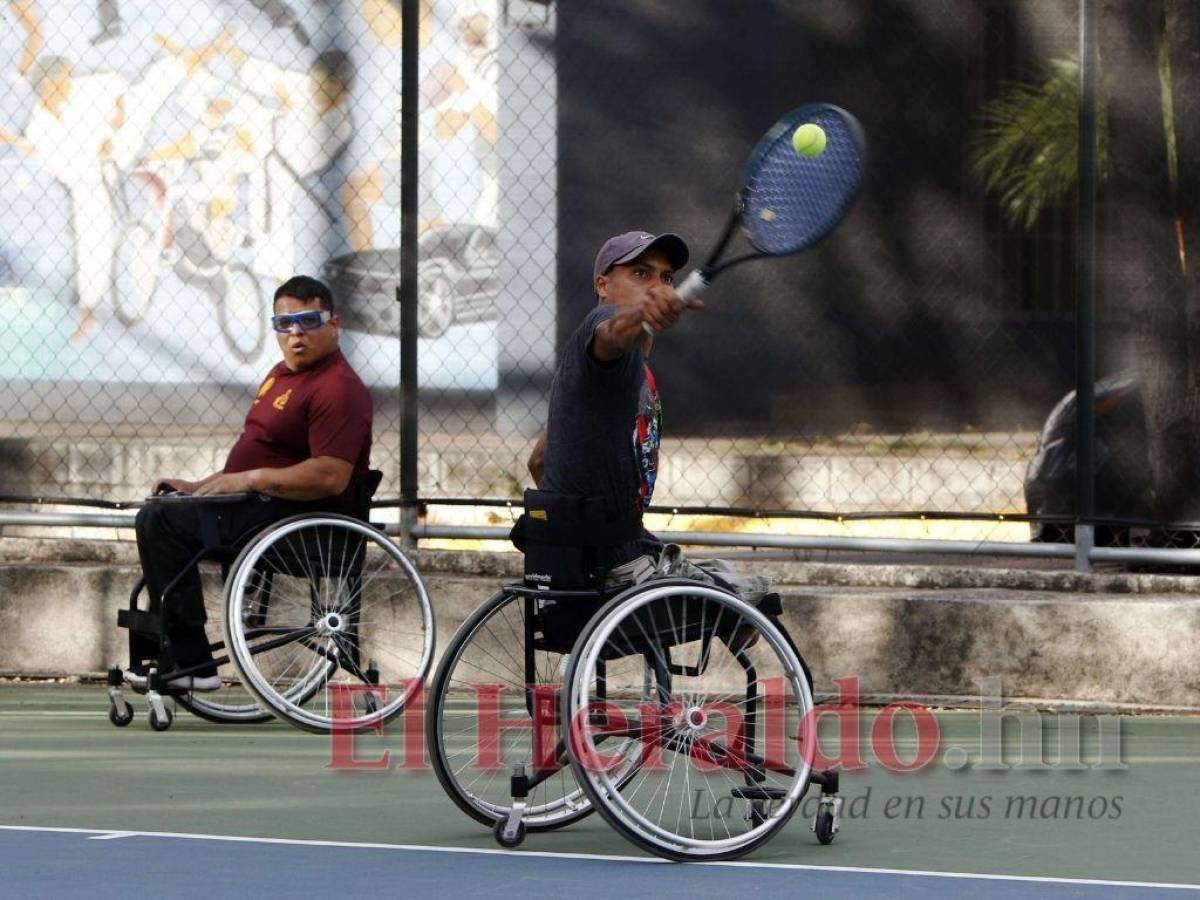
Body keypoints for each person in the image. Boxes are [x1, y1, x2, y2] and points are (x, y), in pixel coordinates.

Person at [131, 274, 373, 690]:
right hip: (256, 507)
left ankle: (192, 664)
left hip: (296, 523)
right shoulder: (280, 375)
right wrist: (198, 487)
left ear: (334, 325)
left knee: (163, 523)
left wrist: (251, 479)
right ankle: (168, 651)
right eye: (284, 323)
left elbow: (331, 476)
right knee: (162, 509)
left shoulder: (338, 388)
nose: (295, 333)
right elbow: (256, 453)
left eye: (309, 321)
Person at [526, 230, 771, 609]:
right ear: (602, 285)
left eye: (666, 277)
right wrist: (641, 313)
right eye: (641, 273)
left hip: (596, 557)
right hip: (614, 570)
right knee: (754, 602)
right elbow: (612, 332)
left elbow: (539, 460)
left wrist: (578, 529)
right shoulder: (602, 326)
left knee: (740, 595)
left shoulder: (620, 368)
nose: (658, 286)